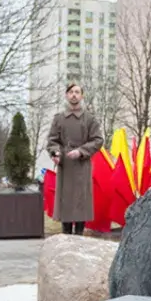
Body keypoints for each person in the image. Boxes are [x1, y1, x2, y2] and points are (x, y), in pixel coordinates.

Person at [47, 83, 104, 235]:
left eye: (77, 92)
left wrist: (81, 151)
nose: (74, 95)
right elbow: (52, 140)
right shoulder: (59, 118)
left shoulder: (90, 119)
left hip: (81, 165)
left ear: (82, 96)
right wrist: (55, 153)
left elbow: (98, 140)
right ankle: (65, 237)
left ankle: (79, 237)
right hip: (65, 165)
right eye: (71, 92)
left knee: (80, 201)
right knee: (65, 201)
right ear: (66, 95)